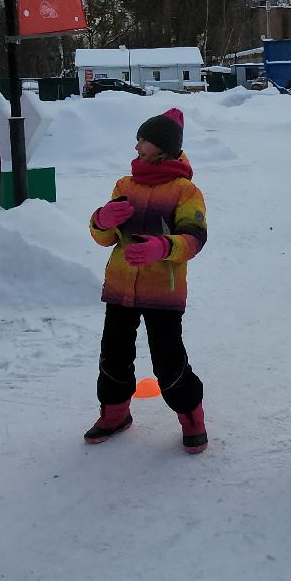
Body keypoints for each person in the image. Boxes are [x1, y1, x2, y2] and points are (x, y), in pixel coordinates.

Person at [84, 108, 210, 452]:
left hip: (162, 292)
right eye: (139, 139)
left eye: (145, 140)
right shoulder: (125, 185)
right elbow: (105, 238)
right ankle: (114, 413)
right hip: (121, 288)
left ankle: (191, 415)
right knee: (113, 354)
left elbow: (195, 237)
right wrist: (101, 219)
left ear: (164, 148)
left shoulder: (185, 191)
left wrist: (162, 247)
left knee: (167, 359)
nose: (137, 145)